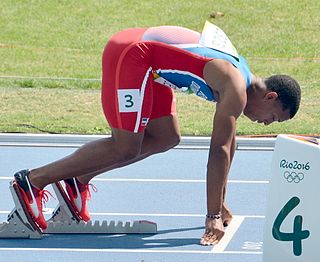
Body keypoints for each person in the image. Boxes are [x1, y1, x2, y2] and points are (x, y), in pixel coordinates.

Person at [13, 24, 301, 246]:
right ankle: (32, 181)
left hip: (152, 66)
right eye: (273, 117)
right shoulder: (236, 87)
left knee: (166, 136)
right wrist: (212, 215)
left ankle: (77, 181)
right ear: (270, 96)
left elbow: (229, 143)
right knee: (125, 146)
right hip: (133, 53)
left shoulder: (244, 78)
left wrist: (220, 203)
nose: (266, 124)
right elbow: (219, 150)